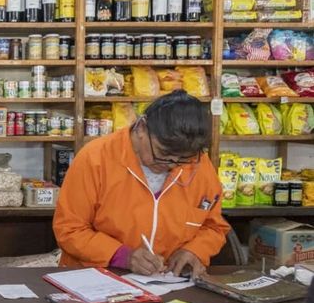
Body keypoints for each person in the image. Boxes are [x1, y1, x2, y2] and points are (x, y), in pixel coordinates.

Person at [53, 90, 230, 278]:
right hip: (94, 280)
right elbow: (69, 229)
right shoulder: (95, 159)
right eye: (163, 153)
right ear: (141, 128)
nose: (170, 164)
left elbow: (214, 227)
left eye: (181, 159)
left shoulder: (199, 165)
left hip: (168, 282)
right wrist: (122, 256)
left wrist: (195, 251)